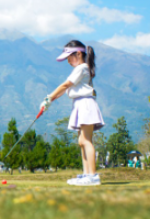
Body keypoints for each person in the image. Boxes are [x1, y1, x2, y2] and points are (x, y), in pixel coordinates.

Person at [41, 40, 104, 186]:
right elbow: (64, 89)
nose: (68, 61)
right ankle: (86, 174)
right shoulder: (81, 69)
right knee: (81, 142)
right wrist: (49, 101)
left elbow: (65, 85)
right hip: (79, 105)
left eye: (69, 57)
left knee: (86, 141)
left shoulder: (82, 68)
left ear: (79, 53)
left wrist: (48, 97)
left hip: (85, 104)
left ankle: (93, 176)